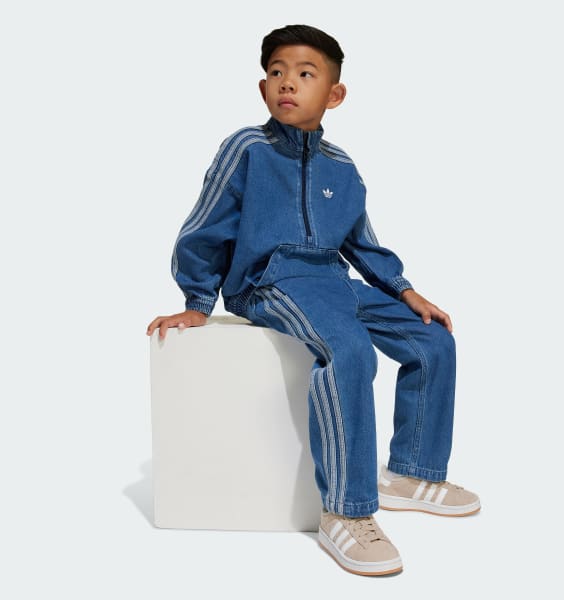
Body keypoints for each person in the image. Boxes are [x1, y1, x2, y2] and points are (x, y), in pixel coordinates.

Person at [147, 24, 480, 577]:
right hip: (270, 281)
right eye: (276, 72)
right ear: (262, 87)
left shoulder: (341, 166)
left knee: (432, 340)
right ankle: (345, 512)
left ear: (334, 94)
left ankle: (412, 472)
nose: (287, 83)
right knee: (349, 351)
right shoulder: (246, 149)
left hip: (333, 280)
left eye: (305, 74)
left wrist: (405, 291)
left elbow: (361, 242)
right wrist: (198, 300)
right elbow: (205, 227)